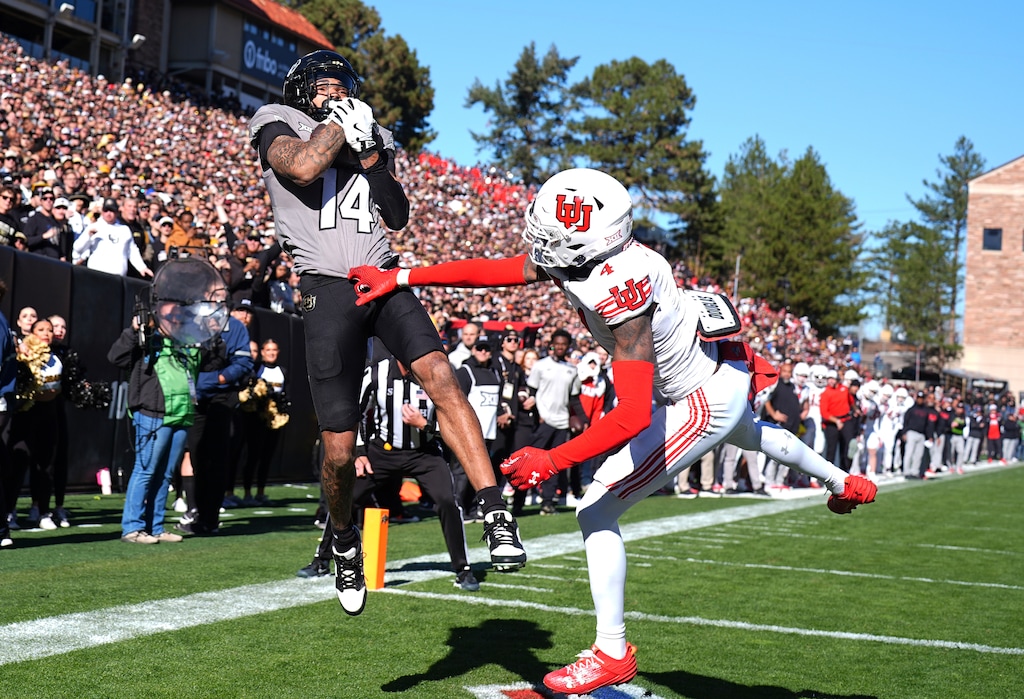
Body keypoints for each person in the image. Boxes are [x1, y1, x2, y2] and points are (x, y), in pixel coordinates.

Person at [349, 167, 877, 694]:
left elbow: (632, 416)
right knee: (752, 432)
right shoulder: (592, 256)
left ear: (589, 241)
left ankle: (612, 651)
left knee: (596, 507)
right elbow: (502, 270)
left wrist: (551, 460)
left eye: (552, 238)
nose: (539, 245)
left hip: (699, 396)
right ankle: (842, 481)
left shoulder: (619, 292)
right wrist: (400, 278)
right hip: (717, 368)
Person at [247, 49, 525, 615]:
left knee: (443, 376)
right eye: (322, 87)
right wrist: (338, 125)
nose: (333, 93)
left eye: (339, 87)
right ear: (302, 90)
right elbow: (300, 166)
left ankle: (494, 509)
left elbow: (395, 214)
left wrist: (371, 149)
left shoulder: (368, 130)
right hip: (326, 288)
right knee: (339, 446)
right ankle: (344, 539)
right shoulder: (276, 119)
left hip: (383, 277)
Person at [298, 343, 480, 591]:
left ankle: (463, 568)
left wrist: (425, 424)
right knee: (346, 496)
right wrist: (359, 454)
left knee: (447, 500)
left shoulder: (440, 373)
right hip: (382, 450)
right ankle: (322, 559)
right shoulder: (377, 373)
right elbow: (355, 413)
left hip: (424, 453)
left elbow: (456, 421)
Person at [72, 198, 154, 277]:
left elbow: (132, 251)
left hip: (117, 277)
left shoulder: (124, 230)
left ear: (117, 212)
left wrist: (142, 267)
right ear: (102, 211)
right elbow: (78, 249)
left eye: (112, 211)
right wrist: (88, 236)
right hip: (96, 275)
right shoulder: (93, 227)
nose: (108, 213)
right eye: (106, 210)